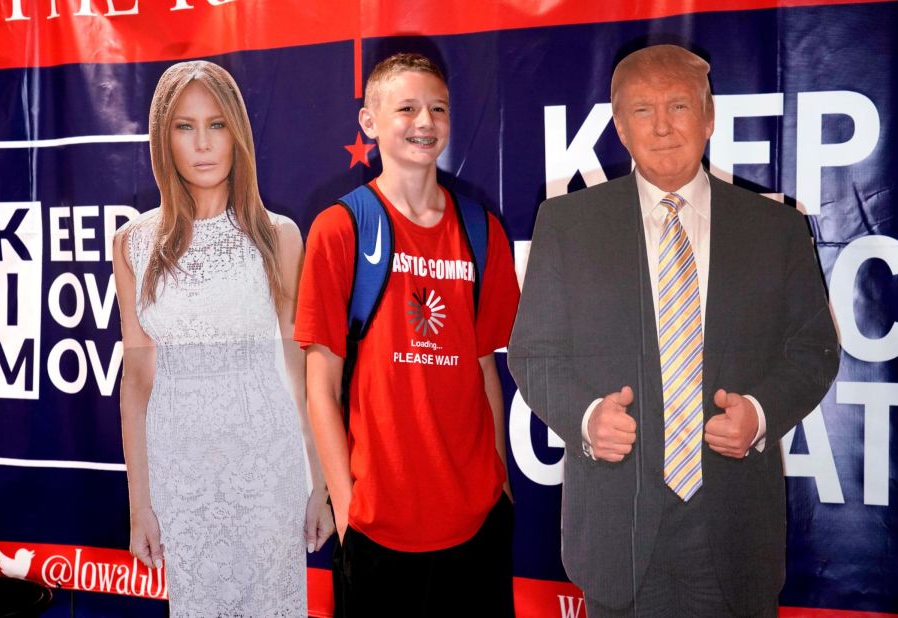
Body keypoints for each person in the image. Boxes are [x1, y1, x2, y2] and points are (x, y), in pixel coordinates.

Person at [508, 44, 840, 617]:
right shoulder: (568, 224)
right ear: (619, 125)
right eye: (642, 110)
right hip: (618, 534)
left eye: (679, 106)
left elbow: (813, 350)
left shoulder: (775, 228)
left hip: (734, 534)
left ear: (708, 117)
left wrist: (759, 414)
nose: (661, 126)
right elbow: (533, 354)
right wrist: (588, 419)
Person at [295, 53, 520, 616]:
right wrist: (347, 510)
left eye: (438, 108)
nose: (425, 121)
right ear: (369, 121)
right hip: (377, 529)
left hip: (476, 525)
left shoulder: (481, 230)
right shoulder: (341, 228)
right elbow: (319, 385)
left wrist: (500, 486)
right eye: (407, 108)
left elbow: (483, 365)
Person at [112, 60, 333, 617]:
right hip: (179, 473)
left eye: (216, 125)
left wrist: (319, 483)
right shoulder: (133, 242)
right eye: (184, 127)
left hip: (267, 468)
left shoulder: (277, 236)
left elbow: (296, 364)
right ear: (164, 138)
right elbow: (137, 381)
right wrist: (141, 504)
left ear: (238, 132)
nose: (203, 143)